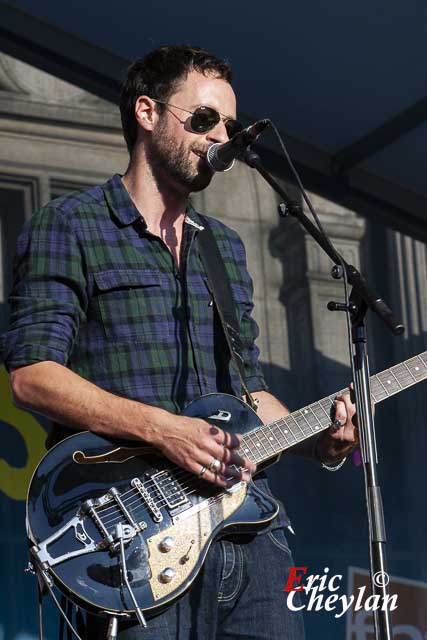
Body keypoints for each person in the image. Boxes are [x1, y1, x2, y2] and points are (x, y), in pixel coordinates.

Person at [2, 45, 357, 639]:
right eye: (203, 120)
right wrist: (164, 429)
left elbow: (249, 393)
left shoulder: (222, 247)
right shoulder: (70, 225)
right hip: (134, 542)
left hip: (249, 536)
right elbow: (32, 376)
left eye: (230, 125)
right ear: (146, 112)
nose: (221, 136)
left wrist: (318, 437)